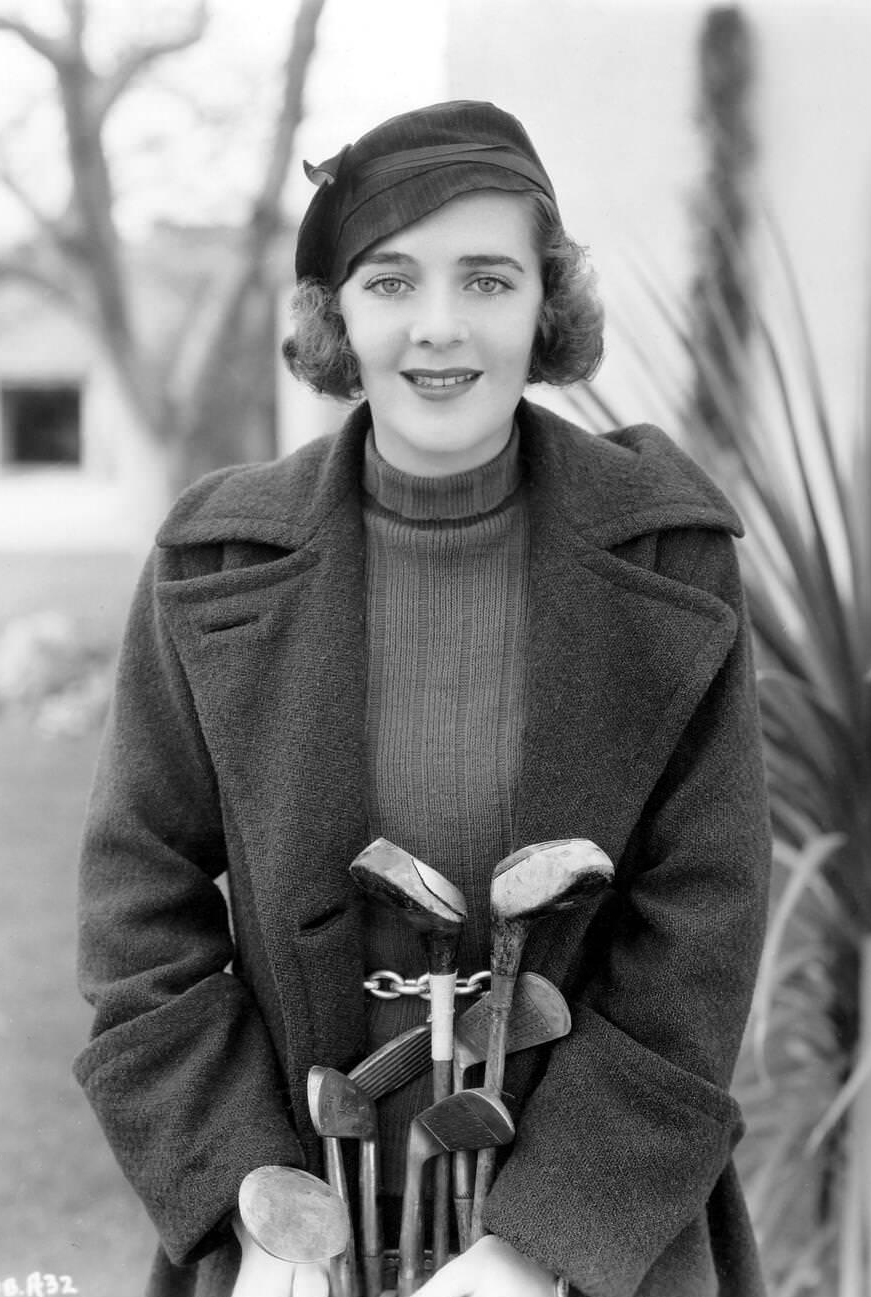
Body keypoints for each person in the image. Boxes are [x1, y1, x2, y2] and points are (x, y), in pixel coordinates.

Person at [75, 100, 772, 1297]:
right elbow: (139, 909)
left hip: (594, 1246)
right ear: (335, 313)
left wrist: (540, 1245)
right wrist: (250, 1198)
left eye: (487, 280)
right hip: (291, 1244)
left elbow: (700, 933)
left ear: (544, 307)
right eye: (391, 282)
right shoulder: (213, 562)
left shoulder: (669, 559)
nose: (439, 328)